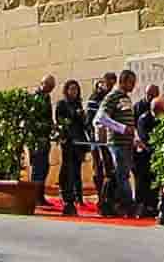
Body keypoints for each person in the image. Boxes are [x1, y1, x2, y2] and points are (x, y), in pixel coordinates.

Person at [93, 70, 140, 216]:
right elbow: (100, 117)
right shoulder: (112, 96)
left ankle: (117, 204)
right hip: (117, 143)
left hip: (127, 144)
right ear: (123, 81)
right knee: (122, 176)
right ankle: (129, 206)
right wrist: (122, 128)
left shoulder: (125, 97)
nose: (133, 86)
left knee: (123, 175)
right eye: (131, 82)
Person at [54, 79, 90, 217]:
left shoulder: (78, 104)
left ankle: (78, 196)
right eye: (71, 89)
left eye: (76, 89)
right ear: (66, 90)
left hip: (79, 141)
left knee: (77, 169)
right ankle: (66, 193)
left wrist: (83, 117)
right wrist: (75, 114)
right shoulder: (62, 104)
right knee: (67, 168)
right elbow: (61, 121)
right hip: (68, 141)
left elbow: (82, 124)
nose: (73, 92)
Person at [135, 94, 164, 221]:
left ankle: (152, 207)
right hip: (144, 156)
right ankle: (142, 207)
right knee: (143, 182)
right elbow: (144, 138)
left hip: (156, 154)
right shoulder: (144, 119)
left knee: (154, 181)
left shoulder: (161, 118)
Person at [30, 75, 56, 207]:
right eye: (49, 86)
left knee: (44, 167)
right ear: (42, 83)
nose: (50, 89)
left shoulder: (46, 97)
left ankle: (40, 195)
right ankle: (35, 196)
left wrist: (53, 126)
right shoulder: (36, 98)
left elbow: (48, 116)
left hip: (45, 137)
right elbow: (32, 119)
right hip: (37, 137)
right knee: (38, 167)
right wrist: (46, 126)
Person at [88, 73, 113, 206]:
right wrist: (94, 139)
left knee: (109, 168)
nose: (109, 86)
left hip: (110, 138)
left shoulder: (112, 97)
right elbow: (91, 120)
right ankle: (101, 197)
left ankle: (108, 199)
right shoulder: (96, 98)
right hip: (97, 139)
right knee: (99, 168)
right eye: (108, 83)